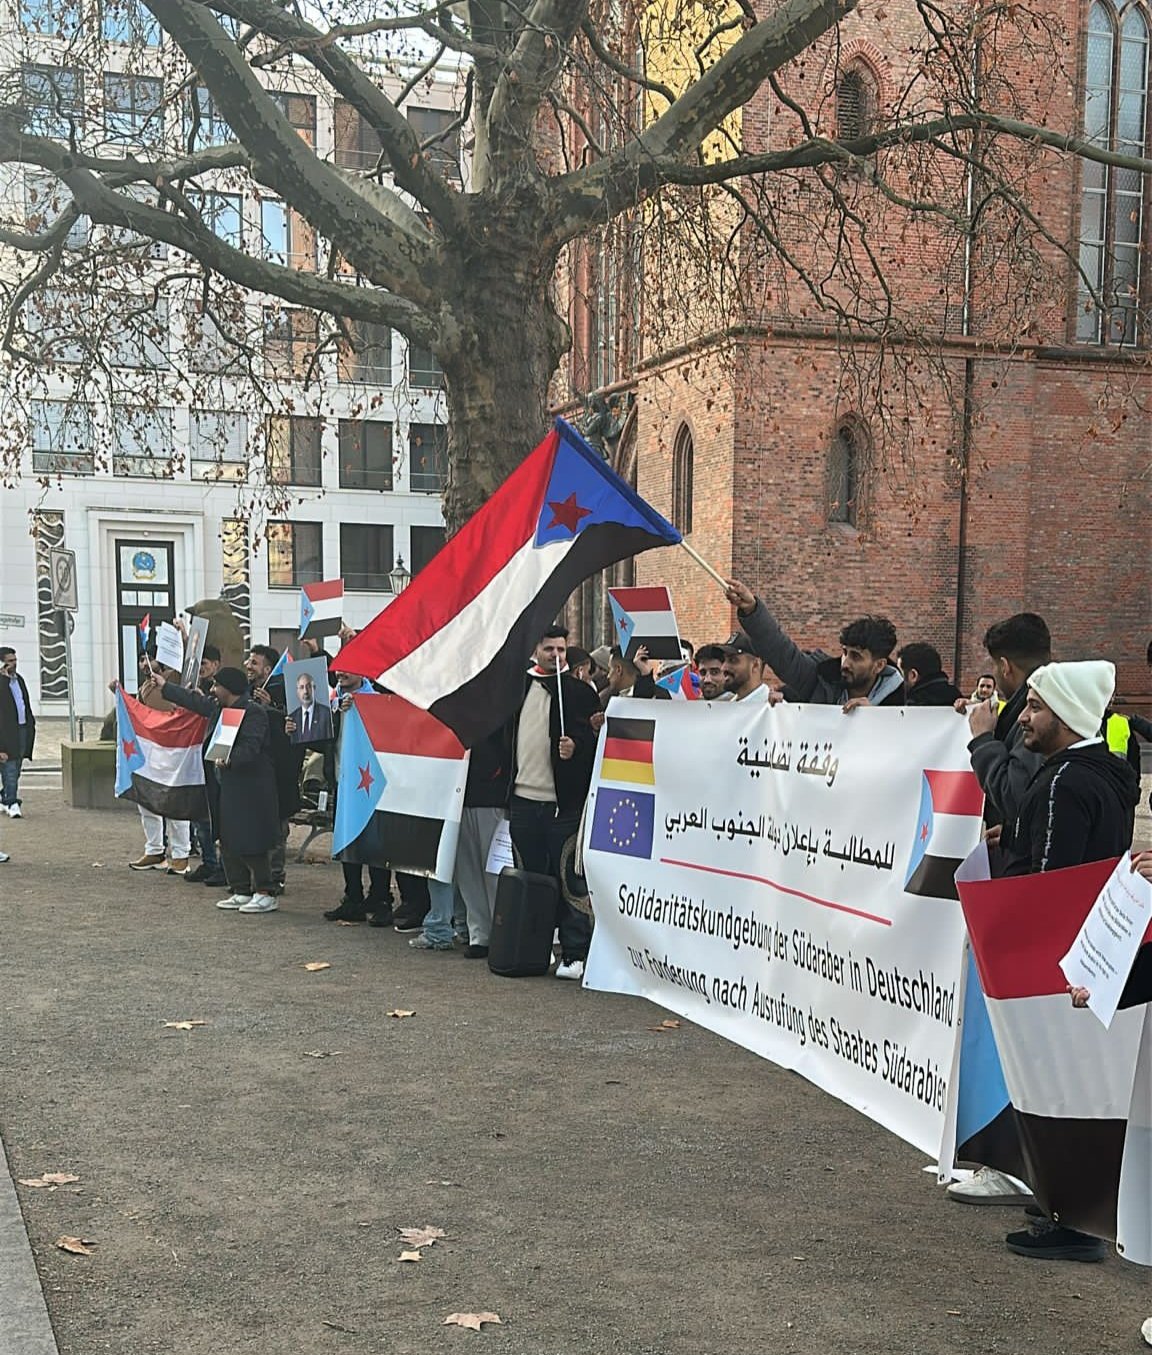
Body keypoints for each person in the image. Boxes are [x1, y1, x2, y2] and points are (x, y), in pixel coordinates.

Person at [991, 660, 1140, 1261]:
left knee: (1059, 1086)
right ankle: (1067, 1204)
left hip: (1064, 961)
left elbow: (1050, 886)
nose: (1023, 719)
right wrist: (1021, 834)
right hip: (1099, 952)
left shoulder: (1061, 782)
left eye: (1035, 708)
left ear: (1066, 717)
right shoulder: (1107, 772)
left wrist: (1021, 949)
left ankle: (1071, 1222)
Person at [508, 626, 600, 981]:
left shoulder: (578, 693)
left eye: (562, 649)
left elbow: (594, 742)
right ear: (537, 650)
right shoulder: (517, 689)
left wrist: (575, 747)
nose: (556, 655)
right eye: (549, 649)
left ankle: (574, 951)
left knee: (568, 879)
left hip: (563, 803)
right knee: (530, 877)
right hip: (522, 799)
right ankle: (534, 944)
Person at [152, 667, 282, 914]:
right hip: (226, 785)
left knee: (252, 839)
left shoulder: (254, 712)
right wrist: (164, 687)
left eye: (216, 686)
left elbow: (252, 746)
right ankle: (240, 889)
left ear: (229, 688)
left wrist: (231, 759)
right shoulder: (219, 709)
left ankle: (265, 891)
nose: (212, 690)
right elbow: (194, 701)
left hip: (252, 788)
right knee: (229, 837)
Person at [722, 581, 903, 710]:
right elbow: (783, 654)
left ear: (879, 665)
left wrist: (876, 721)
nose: (845, 663)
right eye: (845, 653)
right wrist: (752, 610)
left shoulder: (905, 702)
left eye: (856, 657)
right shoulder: (821, 678)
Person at [964, 613, 1051, 829]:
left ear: (1005, 666)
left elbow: (1013, 795)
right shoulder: (1057, 702)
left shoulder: (1037, 718)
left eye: (994, 666)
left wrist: (983, 739)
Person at [247, 645, 303, 895]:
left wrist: (271, 707)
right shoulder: (246, 693)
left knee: (278, 828)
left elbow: (294, 726)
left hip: (280, 774)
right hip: (257, 773)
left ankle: (276, 876)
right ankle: (257, 877)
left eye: (255, 662)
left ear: (269, 669)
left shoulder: (285, 692)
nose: (249, 665)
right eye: (248, 661)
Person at [0, 646, 36, 818]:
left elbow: (24, 703)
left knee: (17, 767)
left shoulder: (18, 680)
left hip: (22, 729)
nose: (14, 664)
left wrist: (30, 724)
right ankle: (12, 802)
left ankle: (4, 795)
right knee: (10, 768)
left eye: (15, 660)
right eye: (10, 661)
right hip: (6, 733)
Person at [897, 643, 964, 707]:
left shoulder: (912, 703)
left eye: (900, 673)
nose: (898, 678)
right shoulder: (958, 700)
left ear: (913, 675)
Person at [722, 632, 774, 703]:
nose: (723, 668)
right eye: (723, 660)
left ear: (755, 665)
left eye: (733, 660)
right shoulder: (728, 706)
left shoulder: (774, 709)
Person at [291, 671, 334, 745]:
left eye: (308, 686)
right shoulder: (292, 717)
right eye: (301, 687)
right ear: (297, 691)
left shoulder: (326, 713)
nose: (305, 691)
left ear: (314, 688)